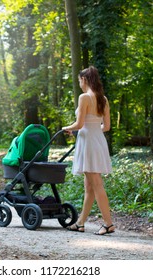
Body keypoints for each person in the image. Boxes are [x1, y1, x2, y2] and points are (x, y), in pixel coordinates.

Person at [62, 66, 115, 235]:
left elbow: (78, 124)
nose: (79, 83)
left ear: (84, 79)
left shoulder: (84, 97)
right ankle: (80, 223)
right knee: (89, 187)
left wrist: (66, 127)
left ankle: (108, 224)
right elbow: (106, 127)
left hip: (88, 143)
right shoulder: (103, 99)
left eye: (79, 80)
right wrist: (92, 128)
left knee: (96, 184)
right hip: (98, 140)